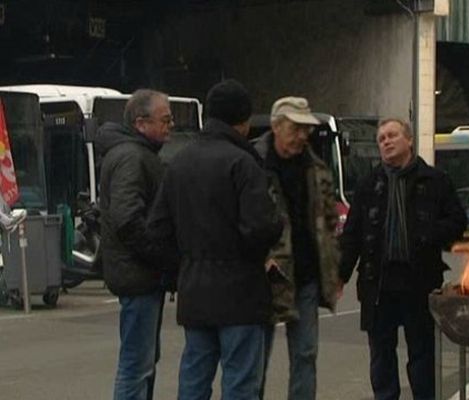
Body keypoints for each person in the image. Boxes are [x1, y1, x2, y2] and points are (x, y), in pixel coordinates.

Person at [147, 79, 283, 400]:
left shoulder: (178, 162)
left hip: (194, 291)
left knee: (194, 379)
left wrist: (182, 267)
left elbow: (156, 230)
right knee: (239, 383)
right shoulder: (243, 163)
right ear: (244, 121)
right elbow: (259, 228)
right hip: (241, 292)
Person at [338, 118, 466, 400]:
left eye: (392, 135)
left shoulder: (435, 180)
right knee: (381, 356)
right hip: (378, 283)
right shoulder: (369, 184)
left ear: (409, 140)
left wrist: (429, 233)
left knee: (421, 353)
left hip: (419, 281)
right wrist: (339, 276)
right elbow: (352, 235)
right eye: (381, 138)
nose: (385, 141)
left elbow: (457, 222)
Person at [253, 96, 340, 400]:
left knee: (305, 355)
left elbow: (329, 223)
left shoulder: (315, 167)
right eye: (296, 128)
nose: (303, 136)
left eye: (307, 129)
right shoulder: (252, 164)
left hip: (306, 277)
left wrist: (333, 271)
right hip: (266, 278)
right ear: (276, 127)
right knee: (255, 360)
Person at [95, 89, 175, 400]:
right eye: (165, 120)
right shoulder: (132, 156)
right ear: (141, 124)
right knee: (136, 365)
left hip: (139, 274)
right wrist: (161, 255)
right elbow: (127, 219)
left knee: (143, 361)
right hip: (139, 275)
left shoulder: (134, 153)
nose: (169, 126)